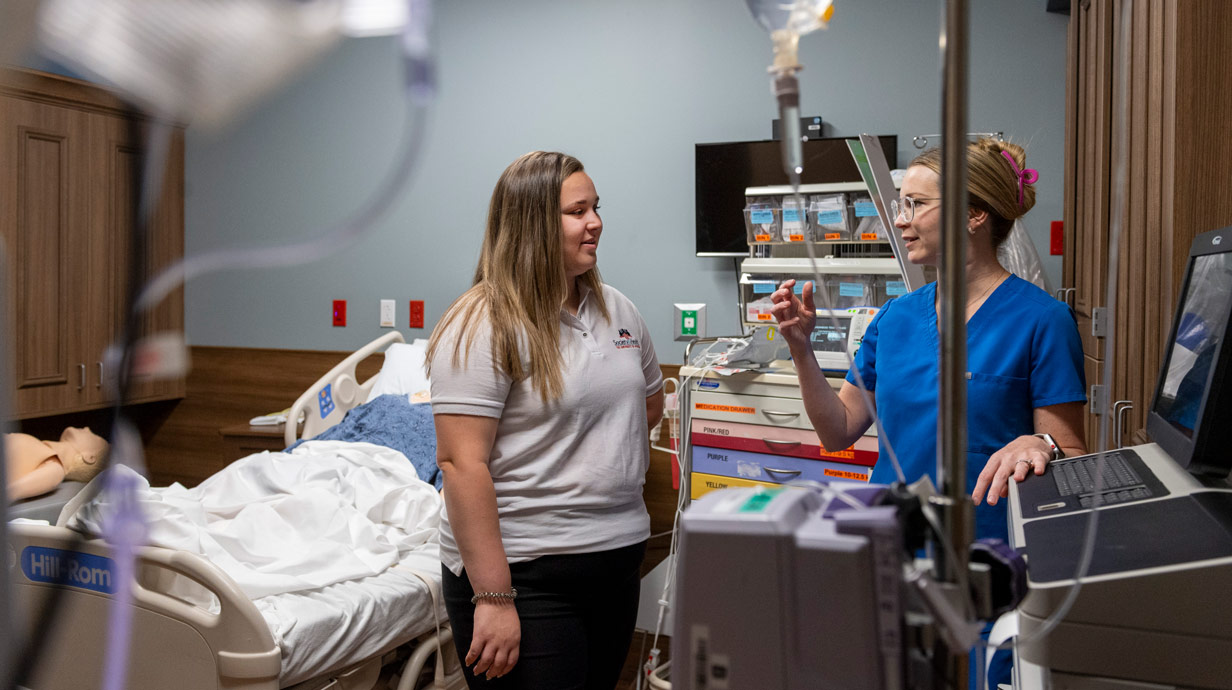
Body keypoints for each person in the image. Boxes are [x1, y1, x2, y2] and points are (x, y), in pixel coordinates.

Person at [771, 138, 1086, 686]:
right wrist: (800, 349)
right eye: (900, 204)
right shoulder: (895, 318)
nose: (900, 220)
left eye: (915, 204)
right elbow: (836, 430)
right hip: (889, 553)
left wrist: (1042, 444)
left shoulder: (1042, 321)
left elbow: (1072, 451)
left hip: (986, 566)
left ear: (972, 214)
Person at [426, 151, 665, 689]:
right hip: (524, 577)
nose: (596, 222)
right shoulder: (482, 321)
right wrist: (492, 596)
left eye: (596, 208)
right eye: (577, 211)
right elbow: (461, 464)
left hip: (616, 562)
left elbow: (647, 405)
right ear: (532, 224)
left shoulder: (618, 311)